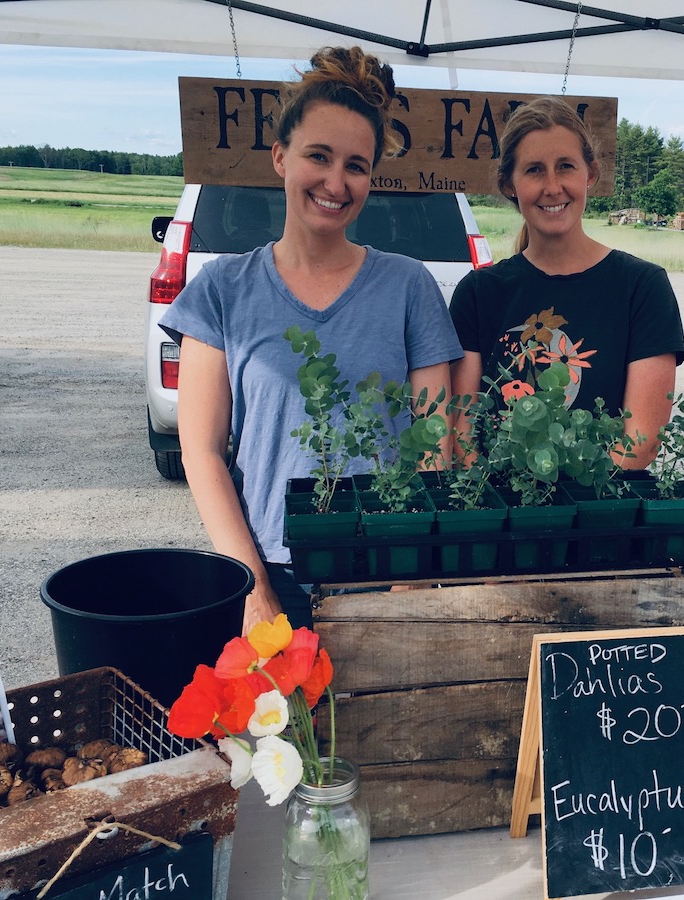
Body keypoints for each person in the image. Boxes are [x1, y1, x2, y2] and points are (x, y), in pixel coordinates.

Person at [160, 46, 463, 630]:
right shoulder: (223, 287)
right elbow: (201, 452)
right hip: (271, 572)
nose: (335, 180)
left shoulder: (409, 285)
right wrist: (250, 589)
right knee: (284, 725)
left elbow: (434, 443)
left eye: (356, 164)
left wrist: (414, 566)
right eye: (318, 156)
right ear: (280, 157)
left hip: (387, 566)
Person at [448, 96, 684, 467]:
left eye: (565, 166)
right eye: (534, 170)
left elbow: (640, 444)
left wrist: (565, 514)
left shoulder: (642, 288)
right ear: (509, 184)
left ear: (590, 173)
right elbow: (463, 435)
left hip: (601, 516)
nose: (553, 186)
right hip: (500, 512)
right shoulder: (478, 293)